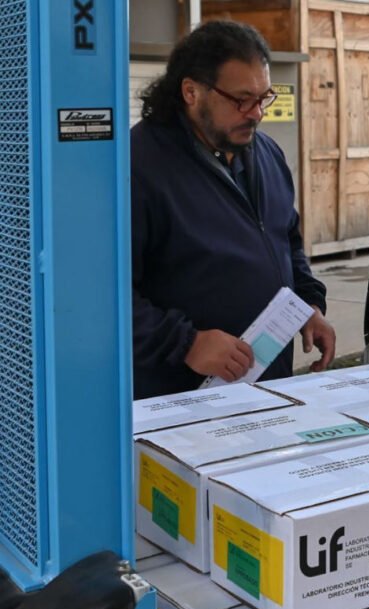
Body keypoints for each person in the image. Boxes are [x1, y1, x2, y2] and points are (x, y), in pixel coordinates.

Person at [132, 20, 335, 399]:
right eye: (242, 100)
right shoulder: (137, 165)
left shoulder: (267, 153)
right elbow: (105, 297)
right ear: (191, 91)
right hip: (182, 398)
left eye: (263, 98)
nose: (256, 113)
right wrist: (187, 343)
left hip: (267, 387)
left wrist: (308, 303)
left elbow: (287, 240)